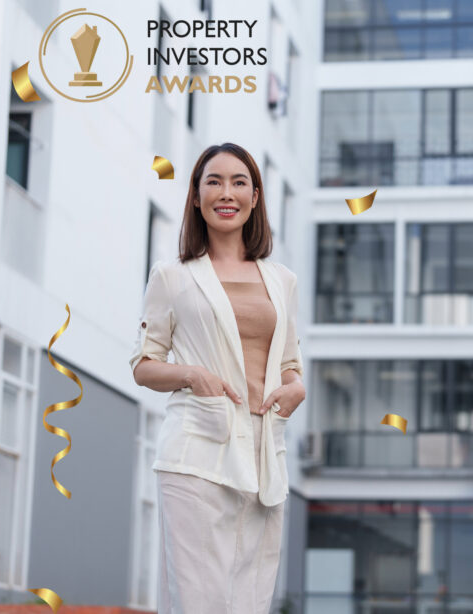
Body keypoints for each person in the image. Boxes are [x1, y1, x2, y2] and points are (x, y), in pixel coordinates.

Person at [129, 142, 305, 614]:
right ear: (195, 196)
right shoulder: (172, 276)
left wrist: (297, 388)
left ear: (255, 197)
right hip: (196, 453)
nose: (226, 193)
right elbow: (144, 365)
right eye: (214, 181)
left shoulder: (281, 280)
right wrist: (191, 375)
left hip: (264, 455)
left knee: (250, 601)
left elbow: (290, 363)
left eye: (238, 182)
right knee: (198, 601)